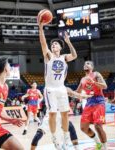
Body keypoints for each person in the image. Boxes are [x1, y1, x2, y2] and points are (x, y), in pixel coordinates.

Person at [39, 17, 77, 149]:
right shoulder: (48, 56)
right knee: (53, 114)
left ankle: (66, 138)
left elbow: (74, 55)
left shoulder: (64, 57)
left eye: (56, 44)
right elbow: (43, 43)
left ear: (61, 47)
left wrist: (69, 42)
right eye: (52, 44)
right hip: (50, 89)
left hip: (61, 88)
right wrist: (41, 27)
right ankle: (55, 138)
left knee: (65, 114)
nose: (53, 45)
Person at [76, 60, 107, 150]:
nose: (86, 65)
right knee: (83, 127)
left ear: (92, 67)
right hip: (89, 102)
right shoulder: (82, 79)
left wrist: (94, 83)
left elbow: (105, 86)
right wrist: (65, 91)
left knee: (97, 126)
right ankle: (98, 143)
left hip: (99, 101)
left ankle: (105, 147)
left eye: (88, 63)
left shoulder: (96, 74)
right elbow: (77, 92)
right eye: (85, 64)